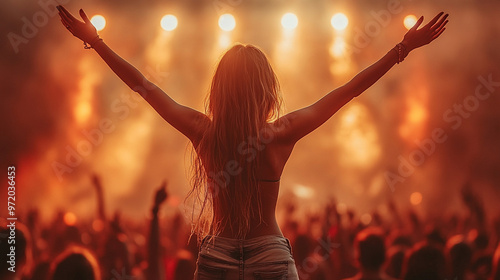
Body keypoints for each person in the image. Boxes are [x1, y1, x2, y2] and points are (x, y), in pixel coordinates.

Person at [57, 5, 448, 279]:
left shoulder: (203, 132)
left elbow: (143, 86)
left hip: (217, 259)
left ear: (220, 90)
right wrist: (402, 49)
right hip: (271, 258)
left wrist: (98, 42)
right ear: (266, 89)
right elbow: (349, 90)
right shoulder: (283, 133)